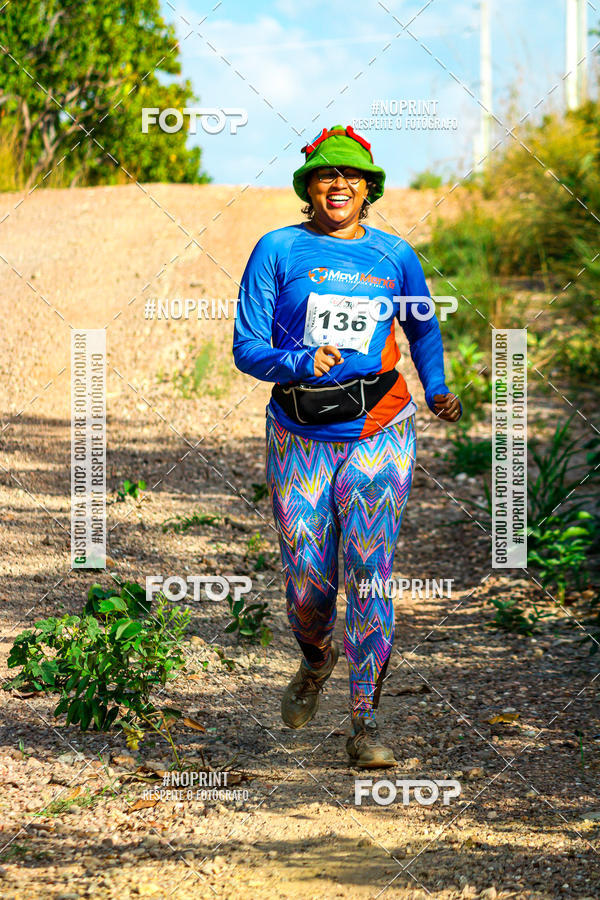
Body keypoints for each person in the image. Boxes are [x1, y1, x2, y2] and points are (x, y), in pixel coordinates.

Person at [232, 124, 461, 768]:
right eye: (327, 175)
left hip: (380, 430)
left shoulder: (395, 256)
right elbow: (246, 348)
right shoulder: (277, 250)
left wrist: (437, 387)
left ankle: (366, 723)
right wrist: (299, 361)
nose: (340, 185)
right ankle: (315, 662)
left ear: (368, 190)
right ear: (309, 187)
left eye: (352, 177)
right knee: (309, 583)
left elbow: (422, 327)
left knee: (372, 573)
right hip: (301, 432)